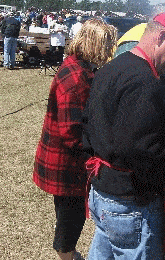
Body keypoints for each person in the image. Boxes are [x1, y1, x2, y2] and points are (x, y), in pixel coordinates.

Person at [83, 11, 165, 260]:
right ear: (162, 37)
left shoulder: (112, 67)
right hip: (129, 205)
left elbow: (89, 125)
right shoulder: (145, 81)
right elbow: (141, 149)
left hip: (102, 194)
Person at [32, 18, 118, 260]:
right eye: (105, 45)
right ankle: (66, 255)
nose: (108, 51)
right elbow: (72, 132)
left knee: (68, 213)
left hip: (63, 157)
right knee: (71, 216)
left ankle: (67, 251)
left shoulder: (76, 66)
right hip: (66, 162)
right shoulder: (76, 77)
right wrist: (98, 152)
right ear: (92, 44)